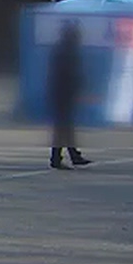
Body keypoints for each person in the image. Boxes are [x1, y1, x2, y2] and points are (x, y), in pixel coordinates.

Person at [48, 20, 91, 170]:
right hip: (64, 93)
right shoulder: (68, 51)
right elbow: (71, 74)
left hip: (60, 93)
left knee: (65, 127)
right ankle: (60, 157)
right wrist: (78, 88)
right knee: (63, 126)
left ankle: (71, 155)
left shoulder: (62, 49)